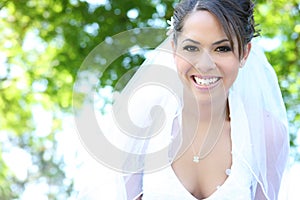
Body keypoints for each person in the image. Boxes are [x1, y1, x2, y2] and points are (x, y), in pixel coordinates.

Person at [77, 0, 289, 199]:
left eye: (222, 48)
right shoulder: (144, 122)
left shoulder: (266, 133)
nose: (204, 64)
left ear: (244, 53)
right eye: (191, 48)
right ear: (174, 48)